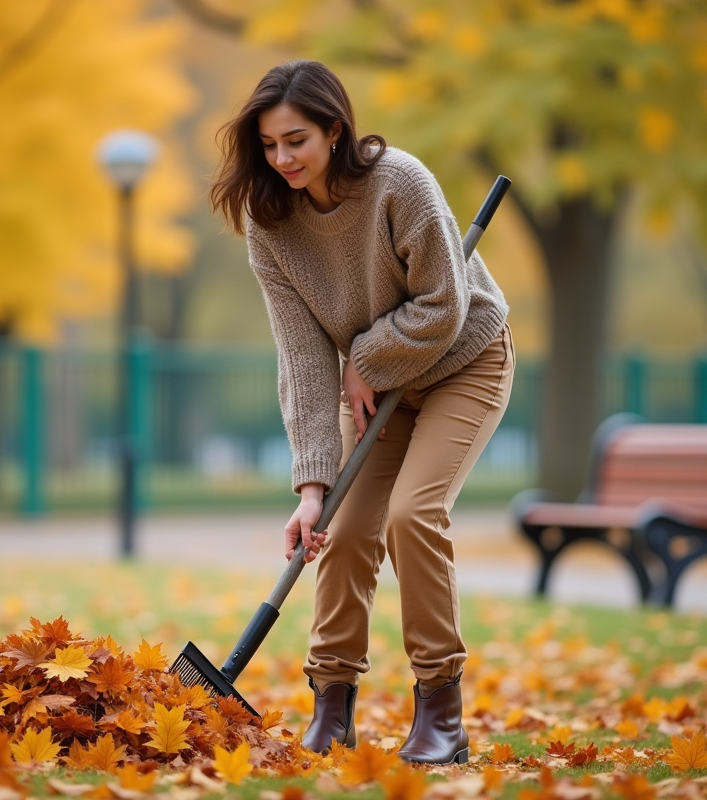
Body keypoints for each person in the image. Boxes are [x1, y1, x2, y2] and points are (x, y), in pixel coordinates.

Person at [210, 59, 514, 765]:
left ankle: (441, 708)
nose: (282, 158)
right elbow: (302, 357)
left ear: (334, 130)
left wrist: (364, 358)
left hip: (463, 361)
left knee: (413, 513)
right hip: (375, 391)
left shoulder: (399, 183)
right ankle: (332, 707)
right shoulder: (270, 222)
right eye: (268, 145)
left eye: (297, 141)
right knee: (341, 535)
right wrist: (312, 489)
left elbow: (445, 305)